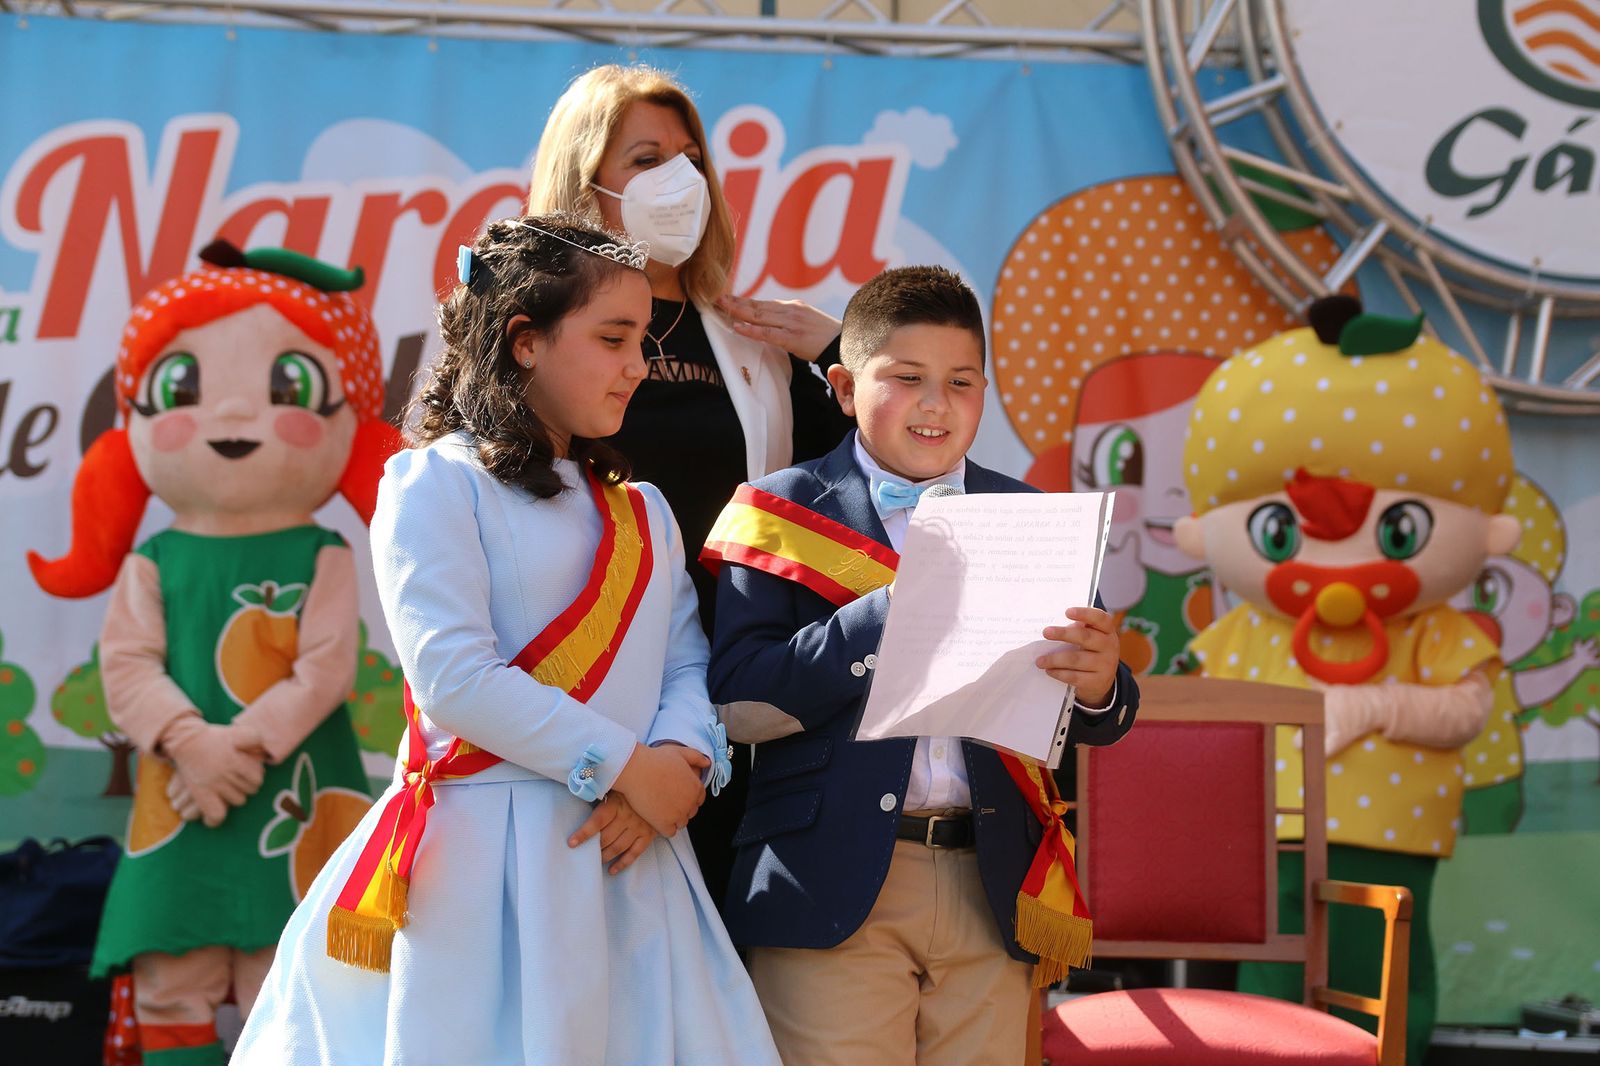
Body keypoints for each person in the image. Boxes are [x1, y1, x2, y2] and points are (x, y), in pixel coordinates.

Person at [232, 214, 780, 1066]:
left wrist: (680, 764)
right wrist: (630, 768)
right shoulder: (436, 482)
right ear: (524, 341)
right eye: (612, 337)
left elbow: (685, 660)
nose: (638, 365)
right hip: (483, 866)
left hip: (630, 861)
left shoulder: (645, 510)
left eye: (642, 338)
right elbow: (455, 676)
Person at [701, 265, 1140, 1064]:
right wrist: (881, 615)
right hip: (825, 880)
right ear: (842, 385)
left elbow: (1101, 716)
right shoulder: (777, 511)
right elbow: (737, 703)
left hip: (991, 880)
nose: (937, 403)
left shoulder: (1033, 519)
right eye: (907, 379)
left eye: (961, 382)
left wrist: (1103, 682)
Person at [27, 241, 400, 1065]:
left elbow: (327, 667)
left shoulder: (325, 554)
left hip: (290, 787)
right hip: (181, 786)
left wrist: (239, 747)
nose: (235, 418)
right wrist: (193, 742)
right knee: (173, 976)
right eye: (182, 388)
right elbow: (125, 666)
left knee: (295, 973)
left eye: (289, 388)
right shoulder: (155, 558)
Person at [527, 62, 854, 903]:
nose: (679, 178)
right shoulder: (536, 341)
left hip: (726, 701)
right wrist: (626, 765)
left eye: (691, 157)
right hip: (582, 692)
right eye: (645, 158)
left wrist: (843, 353)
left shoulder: (757, 342)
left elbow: (886, 472)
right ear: (584, 181)